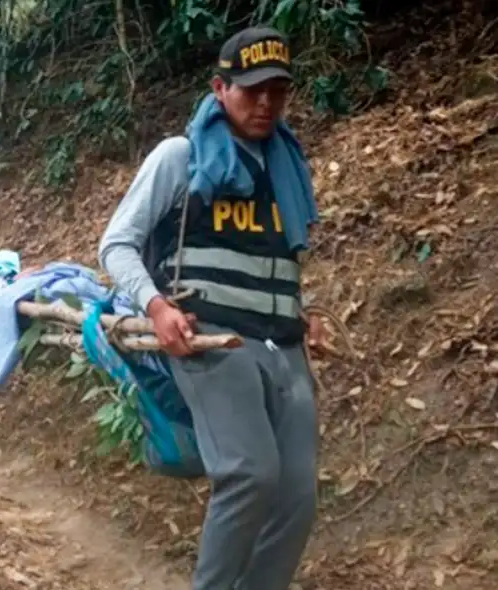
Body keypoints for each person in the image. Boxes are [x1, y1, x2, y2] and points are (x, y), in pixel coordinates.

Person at [97, 27, 327, 590]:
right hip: (212, 339)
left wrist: (303, 314)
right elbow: (116, 244)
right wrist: (155, 307)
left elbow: (273, 259)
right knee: (250, 473)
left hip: (281, 342)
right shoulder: (182, 157)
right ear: (220, 88)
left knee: (298, 493)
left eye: (277, 91)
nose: (267, 104)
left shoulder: (286, 169)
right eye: (252, 91)